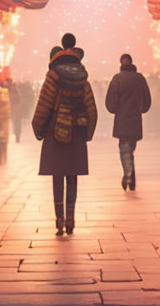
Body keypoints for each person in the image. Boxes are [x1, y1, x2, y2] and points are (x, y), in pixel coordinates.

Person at [32, 33, 97, 236]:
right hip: (77, 131)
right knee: (73, 175)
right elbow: (92, 109)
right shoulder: (83, 77)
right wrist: (87, 133)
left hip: (56, 131)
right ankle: (71, 217)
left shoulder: (53, 76)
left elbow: (44, 104)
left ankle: (58, 217)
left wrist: (38, 129)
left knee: (57, 176)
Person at [105, 53, 151, 191]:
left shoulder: (117, 79)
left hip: (122, 120)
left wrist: (115, 109)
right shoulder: (140, 79)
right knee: (130, 149)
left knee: (124, 149)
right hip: (136, 120)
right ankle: (132, 180)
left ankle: (128, 174)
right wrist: (140, 109)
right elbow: (147, 101)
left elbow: (111, 103)